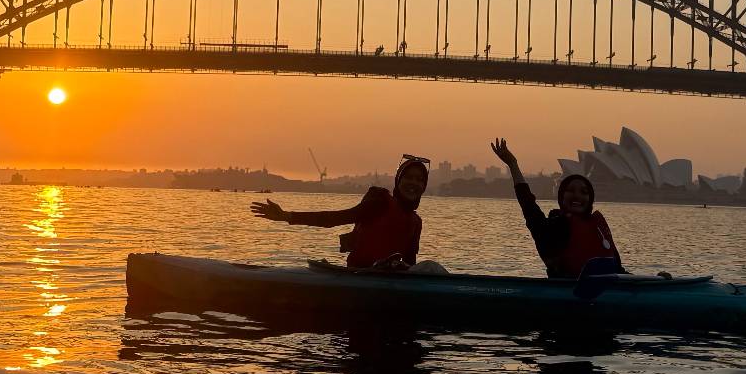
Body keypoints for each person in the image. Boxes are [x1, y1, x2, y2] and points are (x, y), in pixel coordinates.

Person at [251, 155, 447, 274]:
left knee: (430, 267)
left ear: (424, 187)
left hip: (391, 280)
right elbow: (335, 218)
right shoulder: (379, 202)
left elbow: (410, 264)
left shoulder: (415, 222)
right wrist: (287, 216)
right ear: (398, 181)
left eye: (420, 180)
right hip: (360, 275)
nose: (414, 183)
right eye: (409, 178)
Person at [490, 138, 626, 279]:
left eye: (584, 192)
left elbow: (618, 269)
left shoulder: (598, 227)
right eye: (571, 190)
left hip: (611, 291)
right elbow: (528, 204)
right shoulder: (552, 229)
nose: (577, 196)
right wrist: (513, 165)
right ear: (561, 196)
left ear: (590, 199)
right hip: (568, 290)